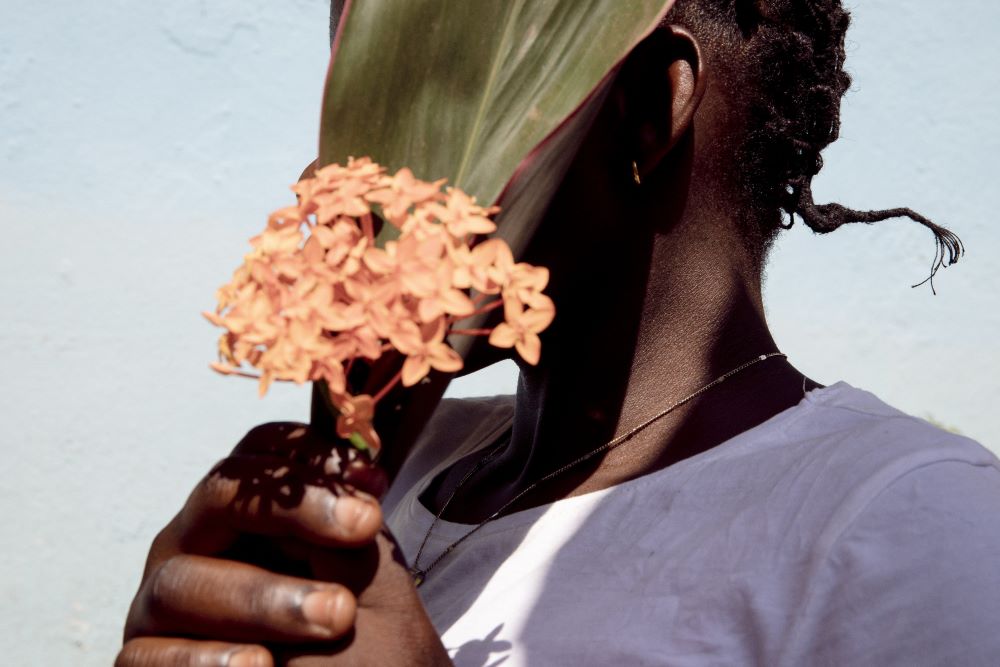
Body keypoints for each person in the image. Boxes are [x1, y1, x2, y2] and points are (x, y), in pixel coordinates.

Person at [117, 1, 999, 665]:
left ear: (651, 110)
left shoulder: (911, 525)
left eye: (412, 99)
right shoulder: (398, 472)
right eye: (357, 97)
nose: (347, 175)